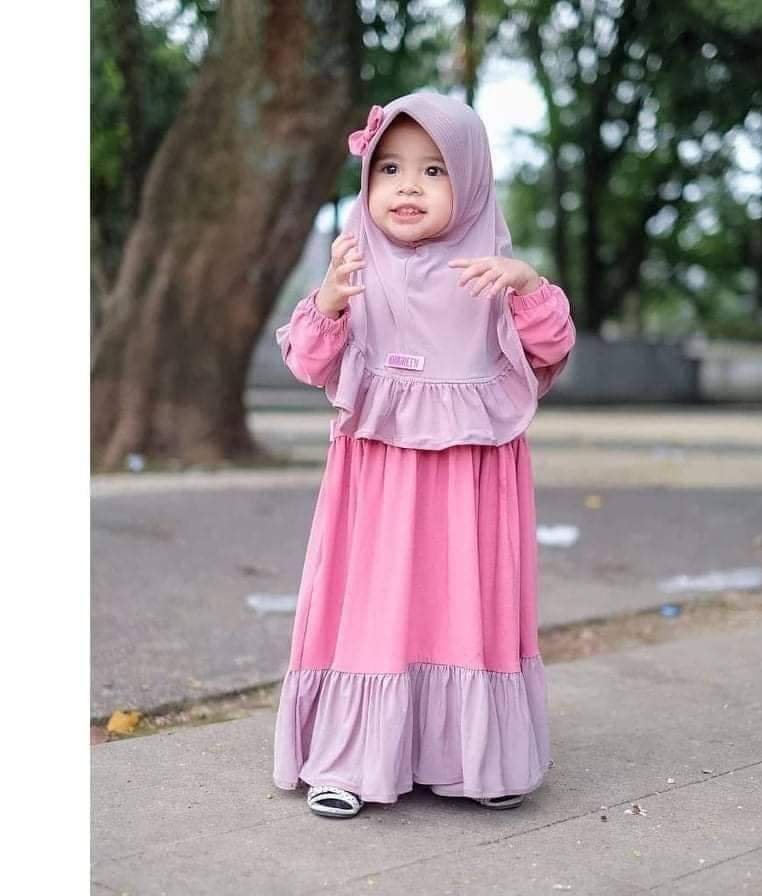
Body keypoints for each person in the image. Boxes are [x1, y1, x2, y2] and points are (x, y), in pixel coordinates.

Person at [272, 91, 577, 819]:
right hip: (378, 484)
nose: (408, 186)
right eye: (390, 168)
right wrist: (331, 300)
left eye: (434, 170)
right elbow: (308, 361)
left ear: (470, 180)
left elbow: (552, 350)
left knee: (464, 605)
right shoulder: (355, 265)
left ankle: (476, 759)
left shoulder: (491, 273)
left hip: (471, 481)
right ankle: (350, 758)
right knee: (373, 607)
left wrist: (528, 285)